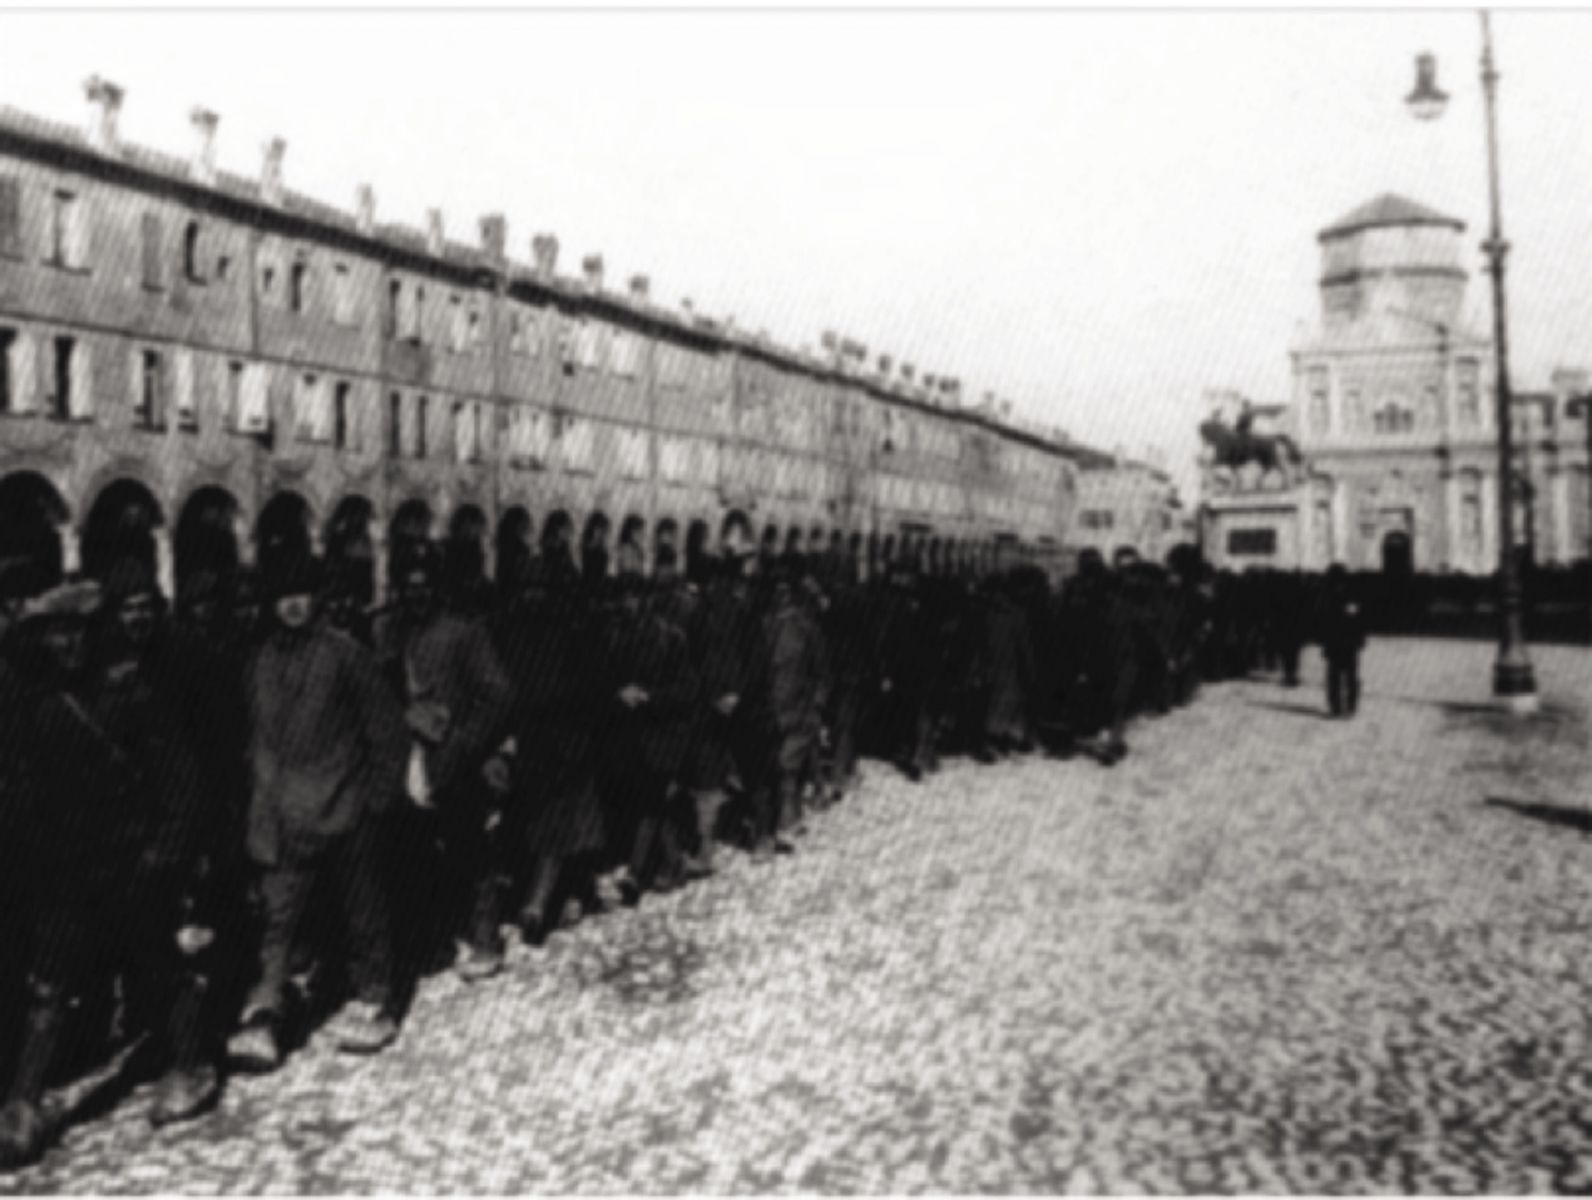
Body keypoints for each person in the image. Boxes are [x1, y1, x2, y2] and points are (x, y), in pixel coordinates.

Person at [0, 579, 218, 1170]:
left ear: (96, 633)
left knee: (162, 969)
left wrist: (164, 856)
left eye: (76, 631)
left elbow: (180, 781)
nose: (67, 644)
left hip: (134, 865)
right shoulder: (37, 703)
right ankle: (22, 1103)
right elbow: (23, 791)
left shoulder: (131, 693)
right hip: (67, 873)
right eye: (55, 633)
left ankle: (190, 1065)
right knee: (47, 989)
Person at [227, 552, 408, 1073]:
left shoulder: (345, 654)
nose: (292, 606)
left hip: (345, 807)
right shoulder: (259, 661)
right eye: (283, 597)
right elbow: (256, 739)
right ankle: (264, 1015)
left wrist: (376, 801)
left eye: (302, 594)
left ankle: (378, 1000)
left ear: (318, 598)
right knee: (278, 920)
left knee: (363, 912)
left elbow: (386, 732)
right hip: (281, 816)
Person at [373, 542, 513, 983]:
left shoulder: (464, 632)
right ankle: (432, 940)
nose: (416, 594)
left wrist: (464, 743)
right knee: (414, 854)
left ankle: (486, 940)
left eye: (424, 585)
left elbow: (498, 695)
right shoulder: (386, 631)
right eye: (408, 586)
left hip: (454, 759)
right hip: (402, 757)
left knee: (470, 849)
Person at [493, 555, 609, 945]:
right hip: (527, 740)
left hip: (566, 741)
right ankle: (576, 892)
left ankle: (537, 905)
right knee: (534, 824)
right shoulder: (506, 630)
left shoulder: (571, 630)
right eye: (526, 589)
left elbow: (591, 684)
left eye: (539, 589)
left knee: (556, 824)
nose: (532, 597)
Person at [600, 565, 699, 901]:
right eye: (623, 597)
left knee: (649, 801)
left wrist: (649, 697)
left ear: (646, 600)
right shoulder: (610, 636)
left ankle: (635, 874)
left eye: (634, 596)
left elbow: (687, 691)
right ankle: (674, 862)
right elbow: (599, 682)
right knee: (652, 803)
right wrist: (616, 694)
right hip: (626, 736)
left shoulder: (670, 638)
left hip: (662, 734)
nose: (628, 603)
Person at [753, 556, 829, 859]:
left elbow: (822, 671)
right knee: (773, 769)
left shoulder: (805, 627)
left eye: (785, 589)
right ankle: (787, 817)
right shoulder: (761, 624)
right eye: (776, 589)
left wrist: (817, 705)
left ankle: (785, 823)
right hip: (768, 708)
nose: (780, 594)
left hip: (798, 707)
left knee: (787, 766)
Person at [1319, 564, 1367, 719]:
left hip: (1340, 642)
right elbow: (1359, 620)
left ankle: (1340, 707)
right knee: (1347, 675)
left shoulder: (1332, 596)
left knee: (1338, 675)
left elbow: (1357, 619)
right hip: (1345, 642)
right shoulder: (1348, 595)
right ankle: (1346, 706)